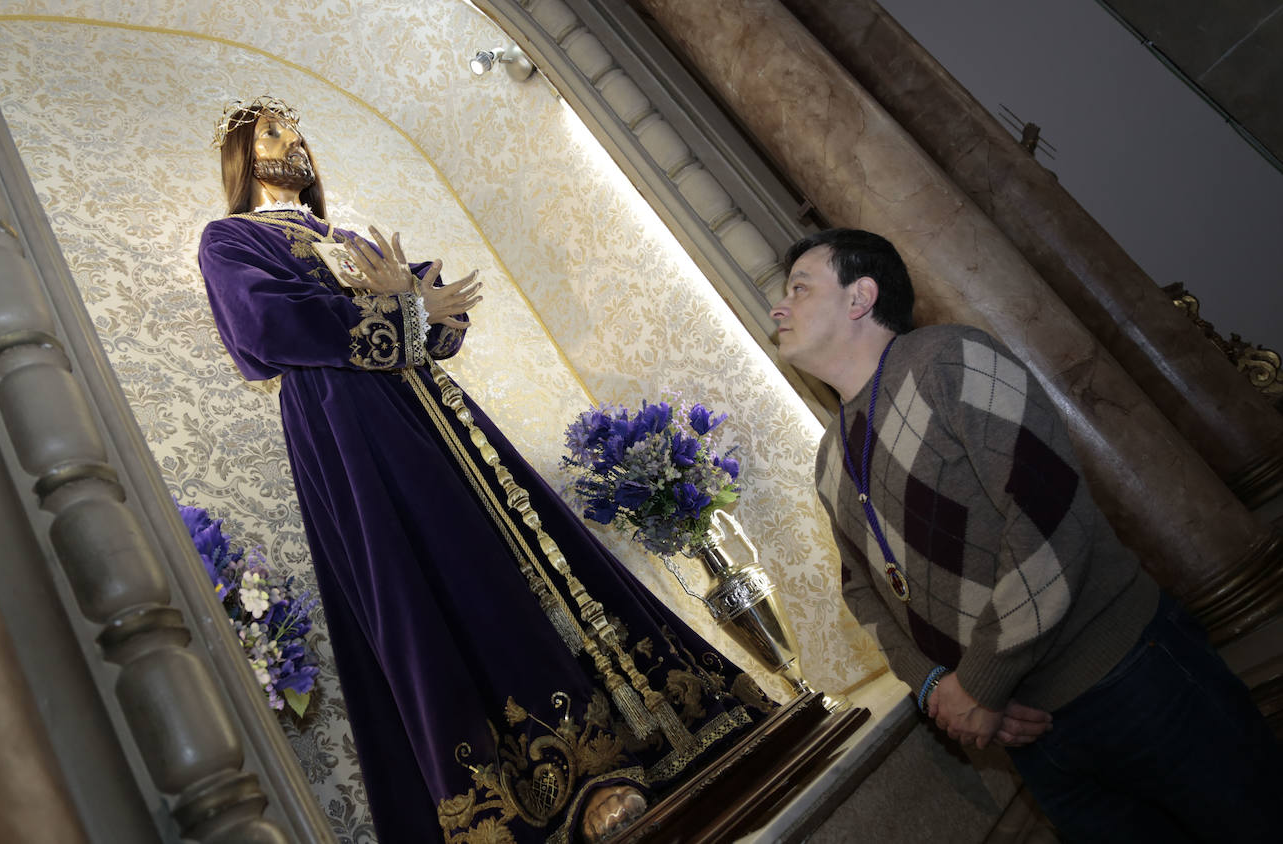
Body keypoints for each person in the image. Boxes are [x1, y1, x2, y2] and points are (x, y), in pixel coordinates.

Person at [198, 96, 773, 844]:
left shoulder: (344, 236)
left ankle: (652, 730)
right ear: (242, 154)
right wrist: (403, 308)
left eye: (297, 129)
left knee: (517, 553)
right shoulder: (230, 239)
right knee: (442, 579)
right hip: (352, 427)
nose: (294, 141)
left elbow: (427, 325)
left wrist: (419, 306)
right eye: (273, 131)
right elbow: (267, 327)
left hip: (437, 419)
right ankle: (568, 786)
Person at [770, 227, 1283, 843]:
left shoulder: (949, 358)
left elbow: (1048, 517)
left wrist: (979, 683)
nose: (780, 306)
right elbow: (866, 596)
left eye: (800, 288)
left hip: (1130, 682)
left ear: (861, 297)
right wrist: (940, 688)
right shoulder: (829, 458)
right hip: (1028, 734)